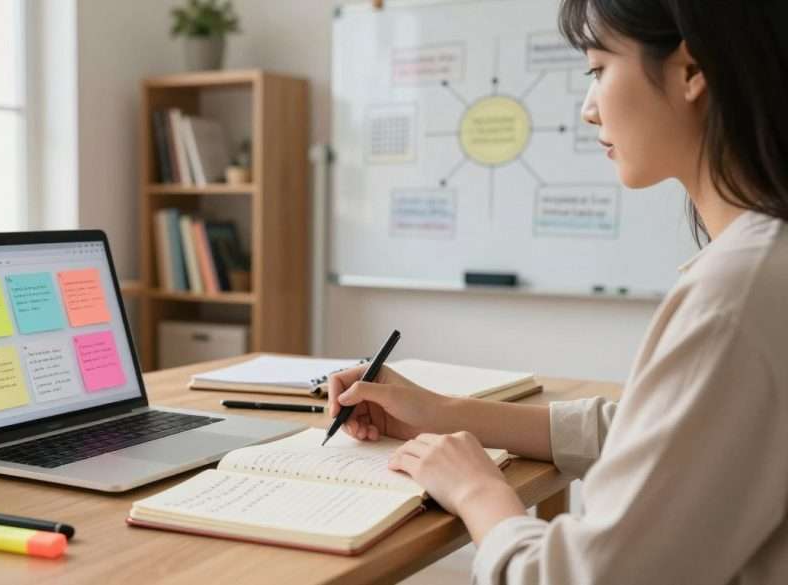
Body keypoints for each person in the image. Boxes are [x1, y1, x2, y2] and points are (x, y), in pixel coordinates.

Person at [327, 1, 788, 583]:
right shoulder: (761, 263)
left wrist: (478, 491)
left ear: (691, 72)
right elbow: (650, 431)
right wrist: (437, 413)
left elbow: (586, 577)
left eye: (597, 69)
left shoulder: (738, 292)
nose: (589, 109)